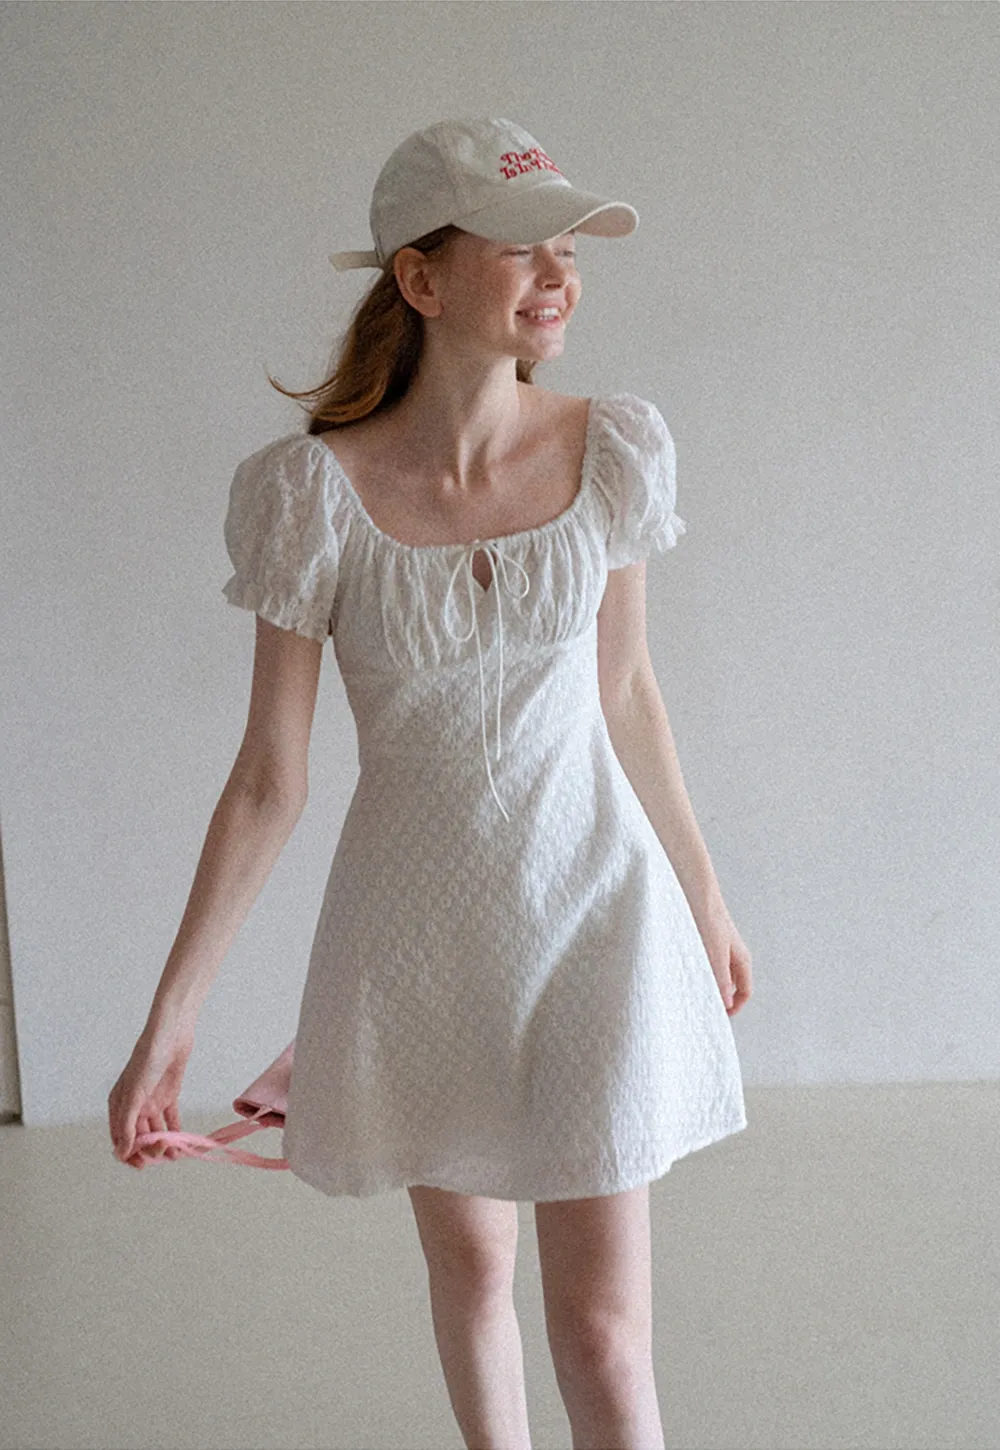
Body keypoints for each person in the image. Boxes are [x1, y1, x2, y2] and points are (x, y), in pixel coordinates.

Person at [108, 116, 752, 1450]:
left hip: (596, 914)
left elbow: (629, 693)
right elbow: (268, 779)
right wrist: (173, 1017)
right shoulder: (312, 495)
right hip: (422, 941)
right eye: (522, 246)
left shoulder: (614, 449)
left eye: (570, 249)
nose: (559, 274)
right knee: (473, 1279)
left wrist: (704, 893)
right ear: (420, 278)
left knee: (603, 1332)